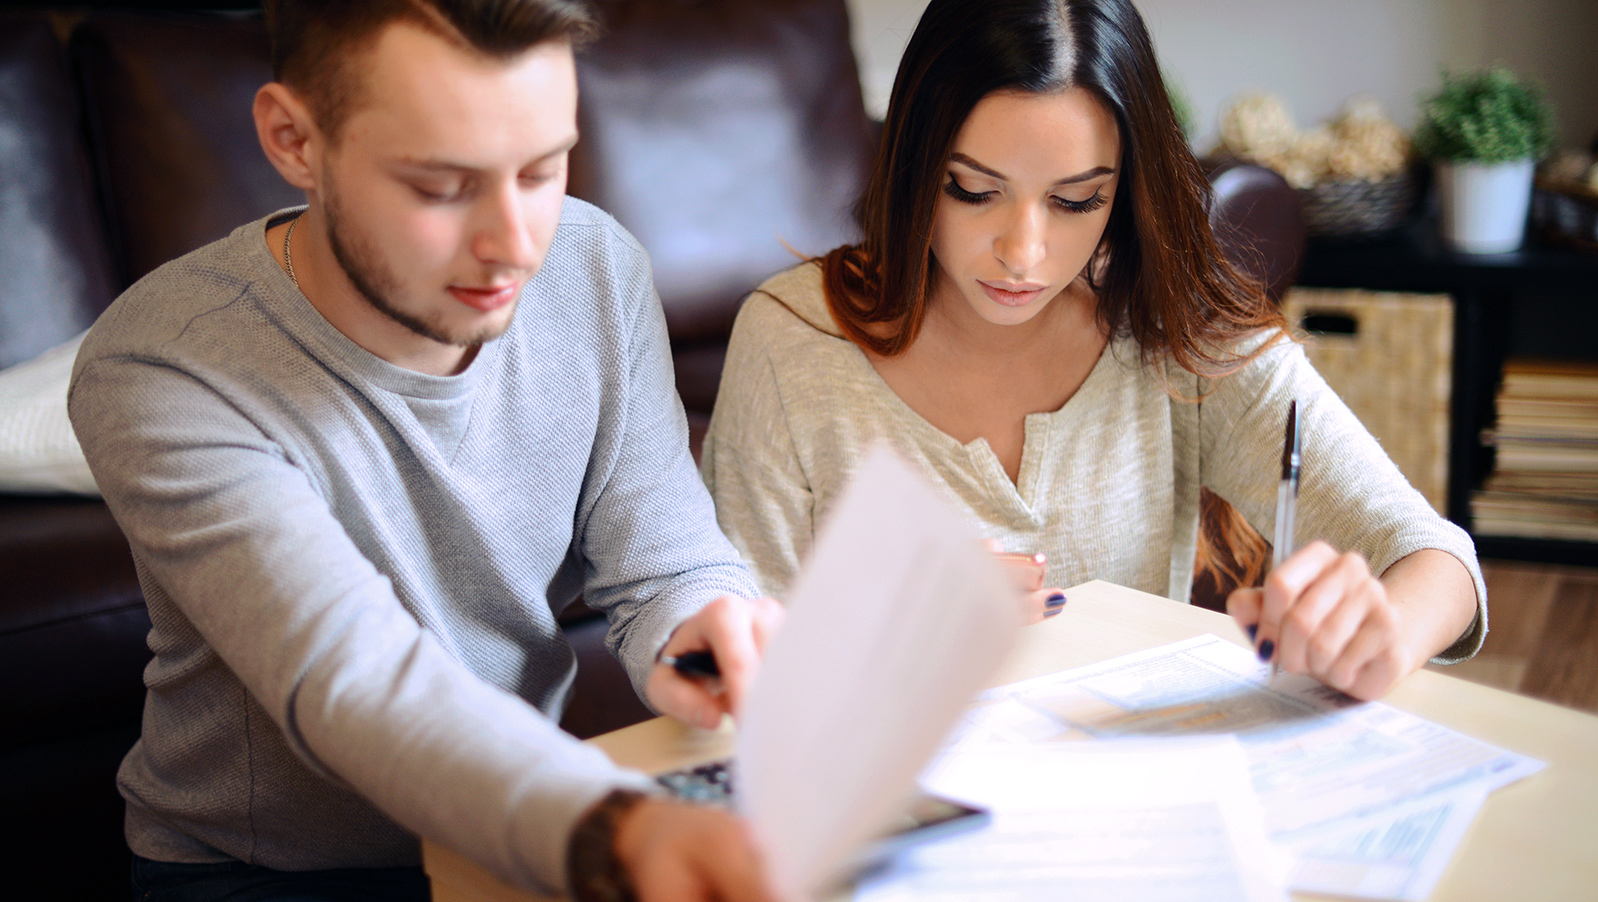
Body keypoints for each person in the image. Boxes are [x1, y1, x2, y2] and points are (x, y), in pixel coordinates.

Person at [68, 1, 783, 900]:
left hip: (523, 829)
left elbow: (667, 562)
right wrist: (615, 827)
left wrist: (702, 627)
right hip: (273, 875)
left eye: (542, 170)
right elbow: (351, 679)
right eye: (442, 186)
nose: (515, 247)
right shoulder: (162, 367)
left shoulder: (597, 266)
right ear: (294, 140)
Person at [701, 0, 1485, 702]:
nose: (1023, 253)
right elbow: (727, 662)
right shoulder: (791, 341)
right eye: (973, 190)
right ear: (915, 166)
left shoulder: (1172, 325)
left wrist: (1384, 633)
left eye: (1077, 200)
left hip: (1132, 798)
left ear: (1124, 191)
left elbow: (1436, 560)